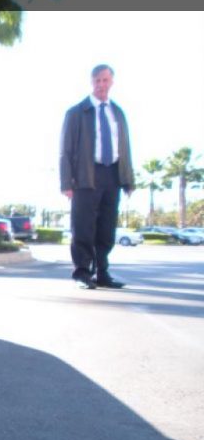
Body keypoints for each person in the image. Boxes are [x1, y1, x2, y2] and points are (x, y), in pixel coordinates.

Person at [60, 64, 135, 289]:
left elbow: (125, 147)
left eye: (105, 80)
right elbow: (66, 150)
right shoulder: (76, 112)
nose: (101, 85)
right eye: (97, 81)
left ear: (112, 81)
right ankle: (82, 273)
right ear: (91, 82)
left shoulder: (118, 112)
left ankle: (102, 272)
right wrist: (66, 182)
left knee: (106, 228)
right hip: (85, 176)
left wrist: (128, 179)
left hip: (112, 174)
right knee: (83, 227)